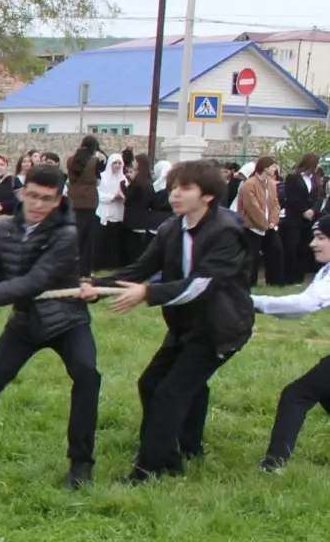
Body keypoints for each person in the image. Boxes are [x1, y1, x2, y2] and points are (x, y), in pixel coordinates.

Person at [95, 160, 255, 483]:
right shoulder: (171, 228)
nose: (174, 194)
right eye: (172, 187)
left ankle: (148, 470)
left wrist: (147, 294)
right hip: (186, 325)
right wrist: (95, 288)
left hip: (221, 327)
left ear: (207, 196)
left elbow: (202, 284)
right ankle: (181, 451)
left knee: (172, 391)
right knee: (152, 384)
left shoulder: (228, 231)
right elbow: (139, 269)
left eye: (185, 188)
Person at [0, 164, 99, 488]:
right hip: (26, 321)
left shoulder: (65, 235)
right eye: (33, 196)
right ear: (22, 193)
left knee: (87, 375)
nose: (39, 205)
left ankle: (81, 465)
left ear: (59, 200)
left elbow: (34, 282)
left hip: (67, 319)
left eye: (47, 199)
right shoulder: (1, 231)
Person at [254, 220, 330, 471]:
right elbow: (300, 309)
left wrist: (252, 301)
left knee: (296, 395)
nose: (312, 243)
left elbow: (305, 304)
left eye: (320, 237)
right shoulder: (325, 271)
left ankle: (273, 465)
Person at [237, 155, 284, 285]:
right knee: (252, 258)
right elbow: (252, 207)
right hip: (252, 227)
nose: (275, 169)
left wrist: (273, 222)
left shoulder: (271, 184)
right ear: (265, 167)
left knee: (276, 251)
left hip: (269, 226)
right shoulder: (249, 184)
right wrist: (263, 224)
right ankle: (249, 283)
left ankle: (275, 282)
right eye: (273, 166)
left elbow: (275, 204)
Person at [282, 154, 323, 286]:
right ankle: (290, 277)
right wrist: (304, 210)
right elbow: (291, 197)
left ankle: (299, 278)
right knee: (292, 247)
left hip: (309, 219)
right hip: (294, 218)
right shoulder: (293, 178)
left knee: (304, 248)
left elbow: (319, 197)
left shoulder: (316, 179)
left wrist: (313, 210)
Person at [65, 138, 105, 271]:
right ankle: (84, 270)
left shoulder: (71, 160)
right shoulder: (95, 162)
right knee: (87, 239)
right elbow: (99, 181)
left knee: (75, 235)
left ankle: (70, 266)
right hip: (89, 202)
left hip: (73, 200)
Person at [95, 149, 127, 271]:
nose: (117, 166)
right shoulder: (102, 177)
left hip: (118, 212)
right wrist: (113, 197)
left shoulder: (123, 179)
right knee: (102, 239)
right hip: (104, 212)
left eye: (119, 163)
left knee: (114, 241)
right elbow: (99, 194)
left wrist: (122, 197)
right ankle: (100, 264)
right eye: (115, 163)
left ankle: (113, 264)